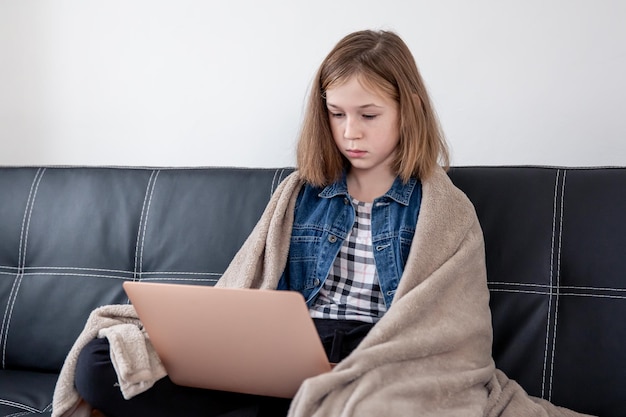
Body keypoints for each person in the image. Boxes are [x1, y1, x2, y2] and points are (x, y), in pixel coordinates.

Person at [55, 30, 589, 417]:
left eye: (369, 114)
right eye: (337, 114)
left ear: (409, 111)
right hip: (281, 351)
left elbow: (450, 328)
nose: (350, 131)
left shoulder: (443, 209)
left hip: (374, 355)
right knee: (103, 365)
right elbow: (247, 287)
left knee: (376, 408)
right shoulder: (300, 193)